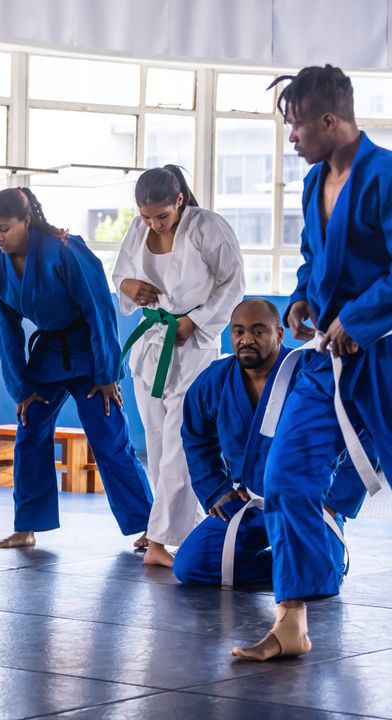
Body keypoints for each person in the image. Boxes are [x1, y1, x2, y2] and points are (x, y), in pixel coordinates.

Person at [234, 65, 392, 661]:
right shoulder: (313, 183)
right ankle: (291, 622)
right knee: (283, 479)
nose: (291, 139)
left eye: (297, 126)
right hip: (327, 360)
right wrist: (302, 298)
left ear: (330, 120)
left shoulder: (386, 174)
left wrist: (361, 317)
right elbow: (313, 258)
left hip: (383, 354)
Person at [0, 187, 153, 549]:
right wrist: (21, 387)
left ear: (26, 222)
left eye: (5, 228)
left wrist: (108, 374)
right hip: (47, 355)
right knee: (29, 431)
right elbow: (7, 325)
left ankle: (148, 527)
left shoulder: (65, 248)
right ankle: (26, 526)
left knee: (108, 436)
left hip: (87, 352)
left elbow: (99, 309)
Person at [173, 299, 367, 586]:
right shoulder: (215, 379)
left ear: (278, 334)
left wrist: (337, 501)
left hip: (309, 503)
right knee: (190, 566)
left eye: (258, 331)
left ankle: (310, 567)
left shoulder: (311, 373)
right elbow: (196, 435)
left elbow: (364, 434)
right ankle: (297, 568)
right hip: (250, 503)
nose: (246, 340)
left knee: (325, 576)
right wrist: (216, 489)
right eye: (238, 332)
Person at [113, 165, 245, 568]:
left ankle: (158, 542)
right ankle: (175, 530)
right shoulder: (138, 231)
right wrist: (128, 287)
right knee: (155, 441)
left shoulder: (208, 228)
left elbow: (234, 283)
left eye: (162, 216)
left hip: (192, 347)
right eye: (146, 216)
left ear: (180, 201)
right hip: (150, 345)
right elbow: (120, 274)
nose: (153, 223)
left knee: (180, 443)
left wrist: (197, 320)